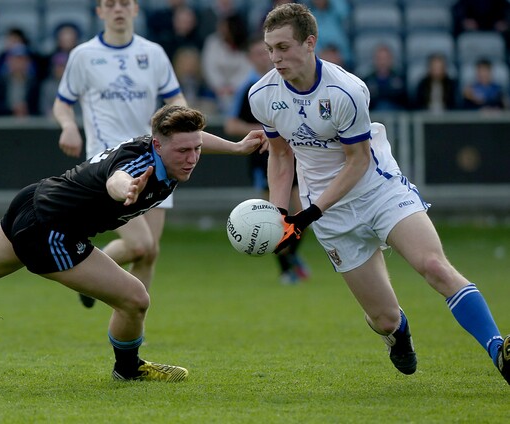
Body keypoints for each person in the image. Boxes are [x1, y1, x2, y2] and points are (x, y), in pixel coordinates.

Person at [0, 105, 262, 382]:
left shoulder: (163, 145)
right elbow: (116, 178)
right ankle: (128, 368)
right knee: (135, 299)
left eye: (196, 149)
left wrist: (237, 147)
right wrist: (125, 189)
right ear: (158, 145)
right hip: (52, 232)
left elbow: (196, 139)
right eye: (184, 151)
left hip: (35, 201)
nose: (192, 157)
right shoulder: (137, 166)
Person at [248, 3, 509, 384]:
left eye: (284, 47)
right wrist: (278, 215)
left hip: (377, 190)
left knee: (435, 266)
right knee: (383, 318)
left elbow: (357, 162)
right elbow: (281, 154)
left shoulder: (346, 90)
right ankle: (398, 335)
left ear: (310, 43)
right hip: (332, 214)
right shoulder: (263, 94)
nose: (275, 58)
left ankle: (498, 349)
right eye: (270, 48)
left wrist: (309, 213)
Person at [53, 0, 263, 308]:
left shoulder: (153, 53)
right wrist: (68, 126)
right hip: (112, 165)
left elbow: (177, 105)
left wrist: (192, 125)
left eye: (124, 3)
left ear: (135, 9)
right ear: (100, 12)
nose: (118, 9)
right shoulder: (84, 55)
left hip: (155, 159)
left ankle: (132, 321)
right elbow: (62, 102)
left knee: (149, 252)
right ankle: (92, 275)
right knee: (141, 244)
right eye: (110, 4)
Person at [224, 34, 309, 284]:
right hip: (264, 159)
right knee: (274, 216)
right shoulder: (249, 89)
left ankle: (290, 255)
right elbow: (231, 125)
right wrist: (265, 130)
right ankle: (285, 269)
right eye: (258, 54)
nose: (263, 57)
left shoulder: (286, 82)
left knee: (303, 212)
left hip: (292, 155)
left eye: (265, 52)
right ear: (250, 58)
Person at [361, 44, 407, 111]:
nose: (383, 62)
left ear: (391, 60)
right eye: (380, 59)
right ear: (374, 60)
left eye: (385, 59)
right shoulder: (367, 80)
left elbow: (405, 102)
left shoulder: (400, 79)